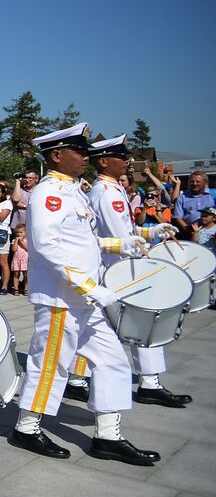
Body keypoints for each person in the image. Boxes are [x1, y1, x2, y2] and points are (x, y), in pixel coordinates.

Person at [9, 123, 162, 466]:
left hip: (84, 299)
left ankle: (108, 436)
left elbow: (81, 241)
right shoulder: (49, 193)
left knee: (112, 360)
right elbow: (47, 246)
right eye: (79, 151)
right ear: (57, 155)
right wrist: (89, 285)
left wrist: (119, 243)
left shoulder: (75, 191)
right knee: (51, 364)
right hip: (63, 298)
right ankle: (27, 427)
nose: (86, 157)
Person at [87, 135, 186, 407]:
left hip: (120, 264)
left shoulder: (111, 189)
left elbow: (125, 231)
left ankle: (147, 382)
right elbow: (121, 240)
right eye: (121, 157)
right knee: (141, 323)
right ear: (105, 161)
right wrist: (143, 254)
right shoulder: (105, 193)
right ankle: (149, 384)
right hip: (118, 268)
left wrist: (149, 230)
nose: (127, 161)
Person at [172, 171, 212, 239]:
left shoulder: (213, 195)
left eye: (198, 181)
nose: (194, 183)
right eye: (192, 181)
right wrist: (188, 230)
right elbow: (178, 217)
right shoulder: (182, 197)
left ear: (205, 182)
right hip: (190, 232)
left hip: (211, 232)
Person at [10, 223, 29, 296]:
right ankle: (16, 289)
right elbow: (14, 249)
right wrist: (16, 242)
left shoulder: (27, 240)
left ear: (25, 232)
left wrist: (21, 242)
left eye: (21, 232)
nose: (19, 234)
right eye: (17, 232)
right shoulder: (15, 240)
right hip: (17, 259)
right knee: (16, 274)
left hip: (25, 259)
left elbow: (27, 249)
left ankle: (26, 288)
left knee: (26, 275)